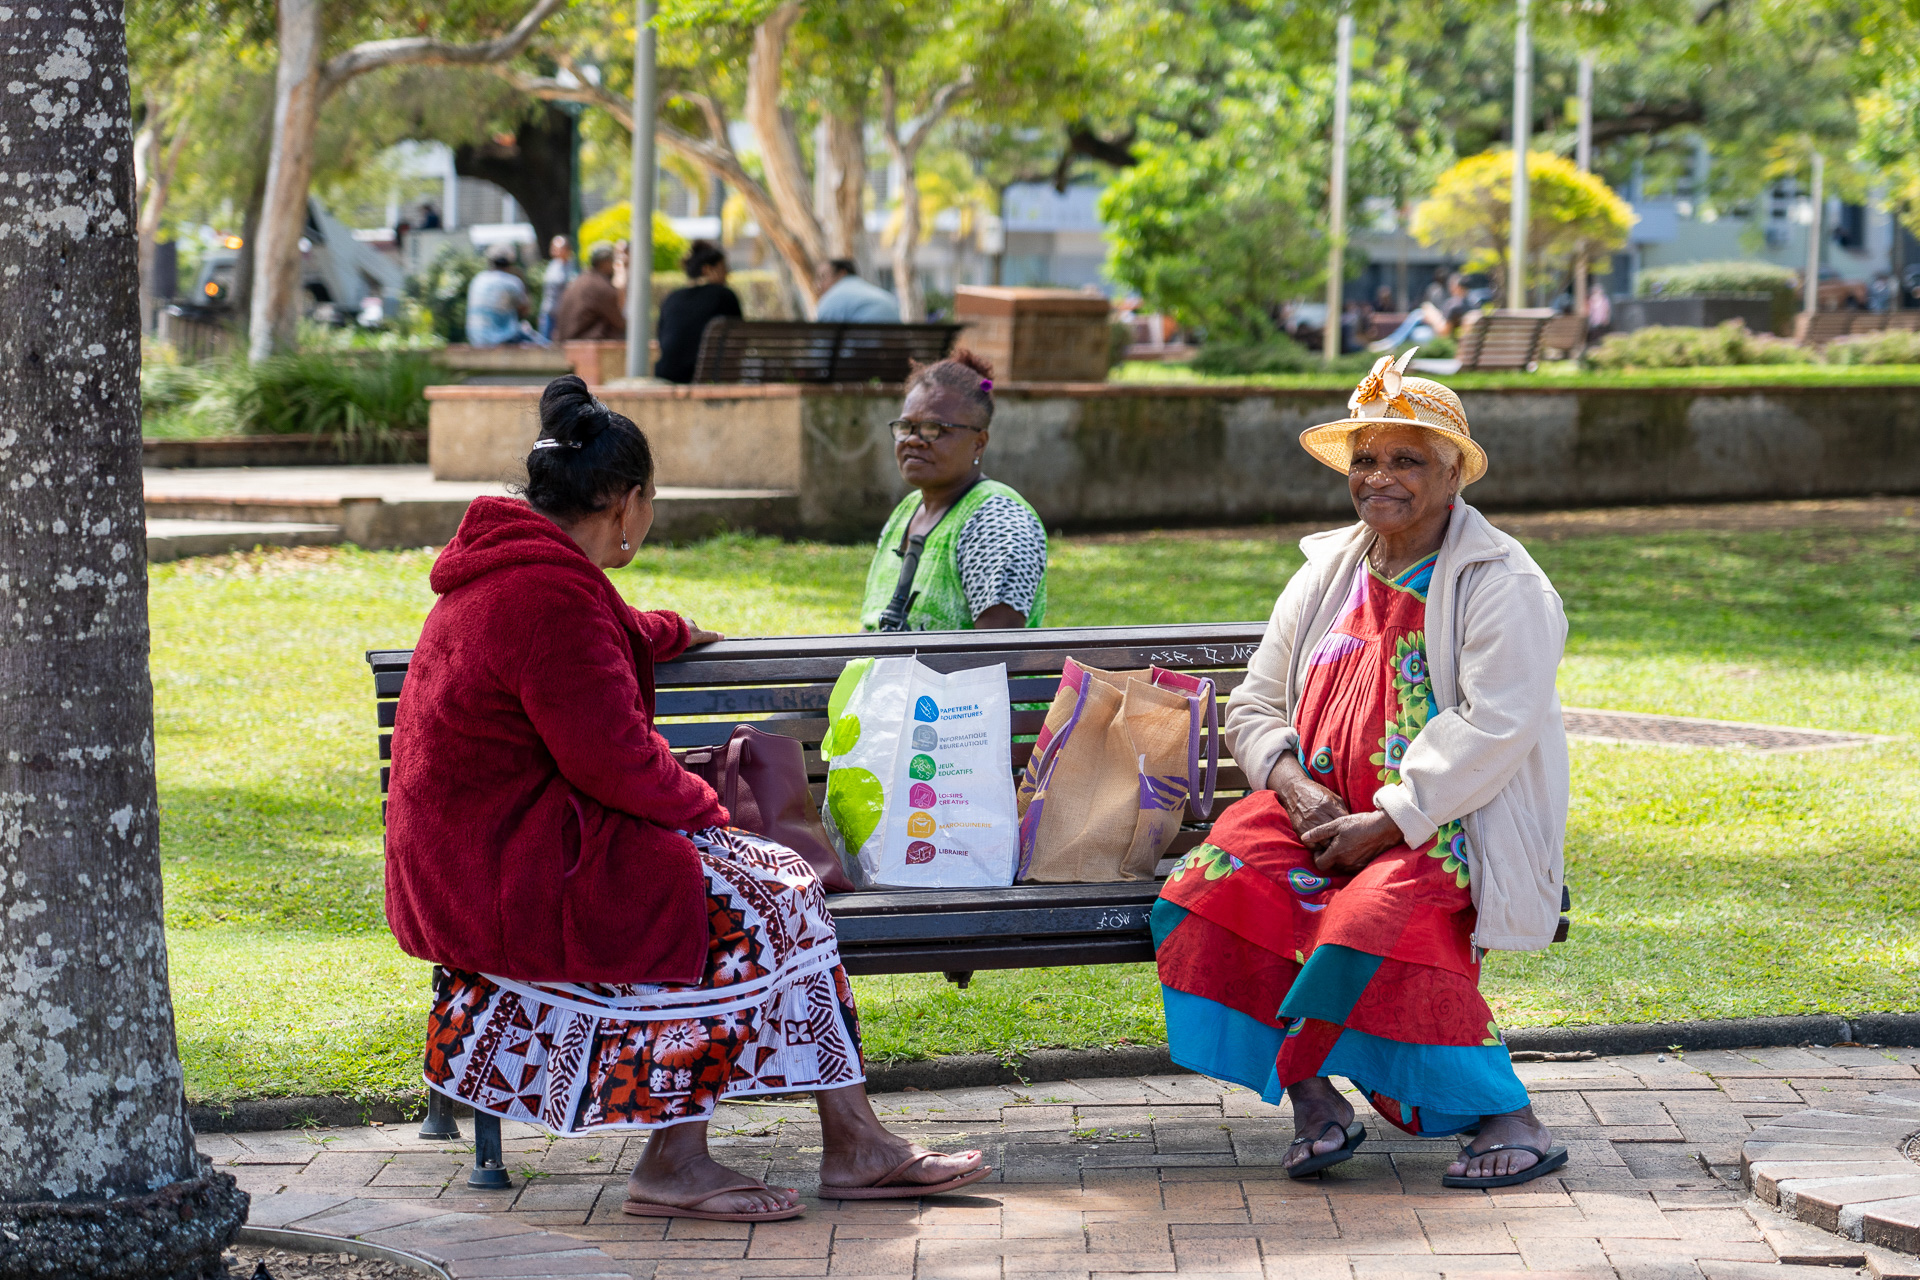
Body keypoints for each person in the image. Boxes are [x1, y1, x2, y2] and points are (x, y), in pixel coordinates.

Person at [385, 376, 991, 1220]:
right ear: (627, 504)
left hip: (503, 850)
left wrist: (662, 629)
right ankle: (677, 1161)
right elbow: (618, 763)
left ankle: (855, 1144)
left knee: (780, 889)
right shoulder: (545, 595)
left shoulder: (532, 574)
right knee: (758, 892)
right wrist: (714, 817)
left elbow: (596, 645)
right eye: (653, 500)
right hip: (510, 868)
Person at [1153, 351, 1571, 1189]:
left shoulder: (1504, 581)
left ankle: (1504, 1115)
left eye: (1407, 460)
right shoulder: (1326, 569)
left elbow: (1496, 724)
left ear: (1453, 476)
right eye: (1367, 460)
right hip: (1317, 813)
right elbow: (1256, 705)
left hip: (1440, 824)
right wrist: (1294, 788)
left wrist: (1387, 821)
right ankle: (1314, 1098)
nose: (1381, 478)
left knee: (1373, 930)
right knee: (1211, 884)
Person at [858, 350, 1047, 632]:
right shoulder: (909, 509)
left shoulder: (998, 520)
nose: (913, 440)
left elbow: (998, 652)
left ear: (979, 443)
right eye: (906, 426)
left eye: (935, 429)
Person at [655, 240, 744, 383]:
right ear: (707, 269)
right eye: (724, 267)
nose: (728, 273)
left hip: (667, 373)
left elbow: (662, 338)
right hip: (707, 376)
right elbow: (738, 340)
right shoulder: (724, 295)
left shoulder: (672, 297)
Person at [554, 241, 627, 342]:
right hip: (581, 343)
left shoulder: (582, 279)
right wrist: (621, 286)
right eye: (613, 262)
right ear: (605, 263)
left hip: (565, 340)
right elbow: (620, 323)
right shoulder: (600, 286)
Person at [465, 247, 536, 347]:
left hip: (475, 339)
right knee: (531, 335)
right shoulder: (512, 282)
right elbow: (525, 311)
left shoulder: (478, 279)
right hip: (499, 339)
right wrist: (522, 281)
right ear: (510, 263)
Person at [814, 259, 902, 323]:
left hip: (859, 348)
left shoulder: (832, 298)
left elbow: (824, 341)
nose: (819, 285)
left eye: (823, 277)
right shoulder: (884, 296)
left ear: (842, 273)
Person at [538, 235, 576, 340]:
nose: (554, 250)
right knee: (545, 343)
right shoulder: (552, 265)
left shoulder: (573, 267)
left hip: (562, 314)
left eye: (558, 248)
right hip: (548, 312)